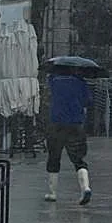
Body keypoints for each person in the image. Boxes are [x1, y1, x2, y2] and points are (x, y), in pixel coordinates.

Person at [45, 68, 93, 204]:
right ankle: (85, 188)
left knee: (54, 157)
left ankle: (52, 192)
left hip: (57, 123)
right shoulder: (80, 82)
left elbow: (50, 95)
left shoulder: (54, 80)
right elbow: (88, 102)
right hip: (75, 124)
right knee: (79, 159)